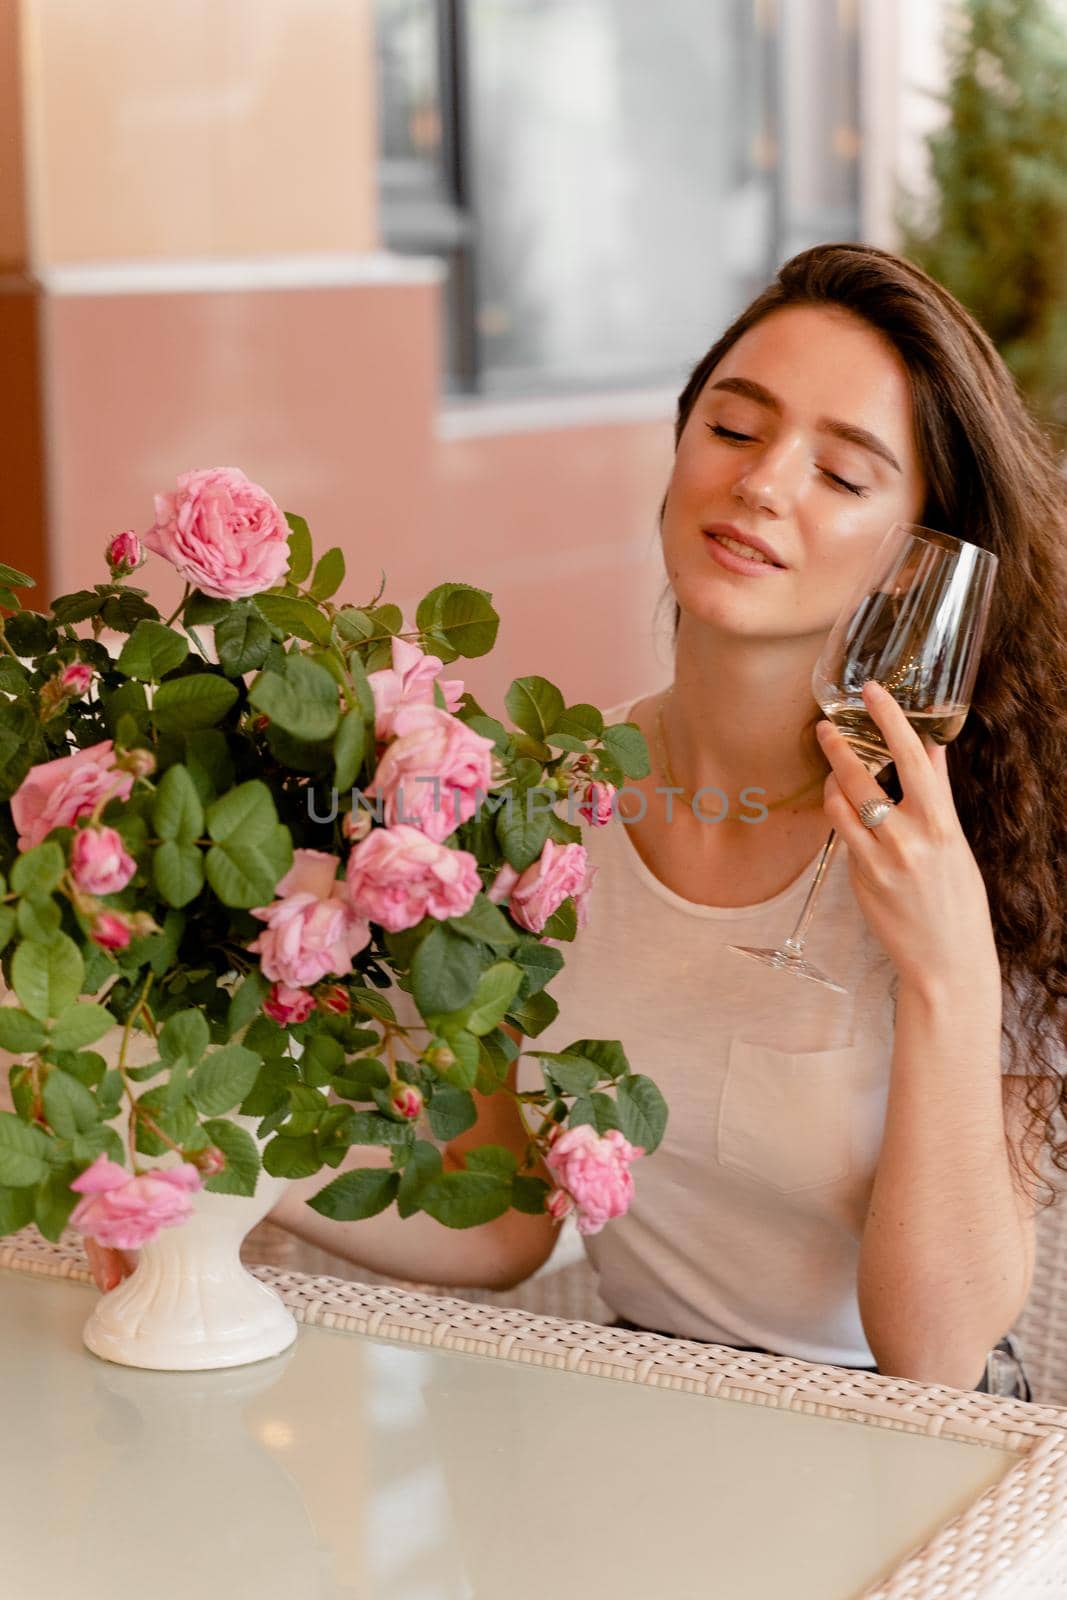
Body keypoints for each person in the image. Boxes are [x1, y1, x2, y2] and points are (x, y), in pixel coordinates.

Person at [89, 244, 1067, 1399]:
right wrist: (207, 1166)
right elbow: (502, 1216)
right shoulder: (540, 804)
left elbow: (933, 1354)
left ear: (912, 569)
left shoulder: (973, 849)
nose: (760, 484)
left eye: (841, 476)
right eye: (734, 429)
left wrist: (948, 965)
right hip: (638, 1403)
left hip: (896, 1436)